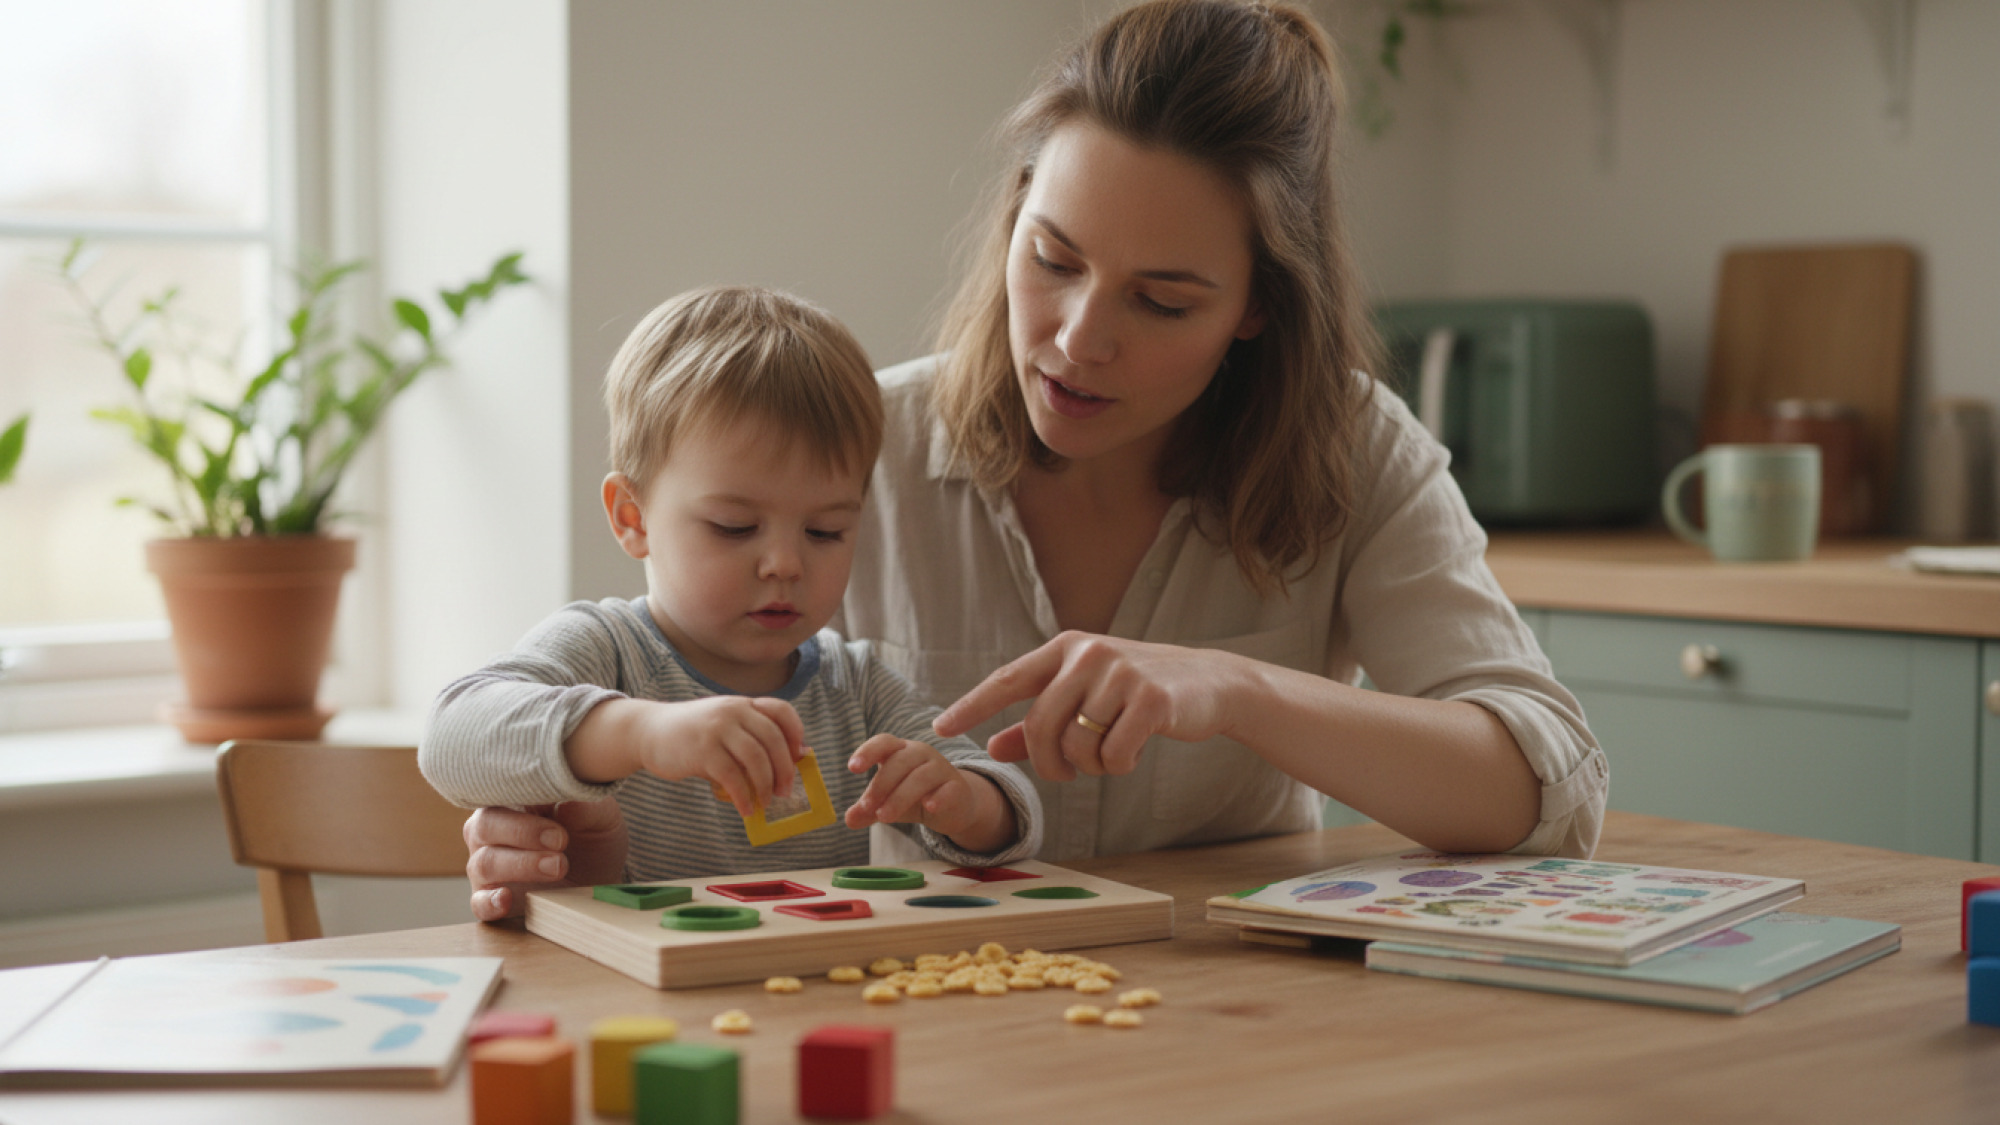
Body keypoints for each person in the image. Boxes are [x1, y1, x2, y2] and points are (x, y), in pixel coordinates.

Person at [459, 0, 1606, 921]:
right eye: (1052, 258)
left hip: (1235, 1028)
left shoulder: (1352, 450)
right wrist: (572, 827)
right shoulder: (851, 453)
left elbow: (1549, 793)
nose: (1076, 339)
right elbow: (592, 712)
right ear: (1013, 219)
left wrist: (1238, 691)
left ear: (1256, 307)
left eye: (1162, 301)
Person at [422, 286, 1042, 911]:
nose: (785, 564)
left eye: (825, 531)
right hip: (625, 968)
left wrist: (966, 802)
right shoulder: (607, 651)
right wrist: (641, 731)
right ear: (632, 517)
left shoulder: (854, 687)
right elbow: (450, 736)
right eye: (734, 527)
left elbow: (1015, 814)